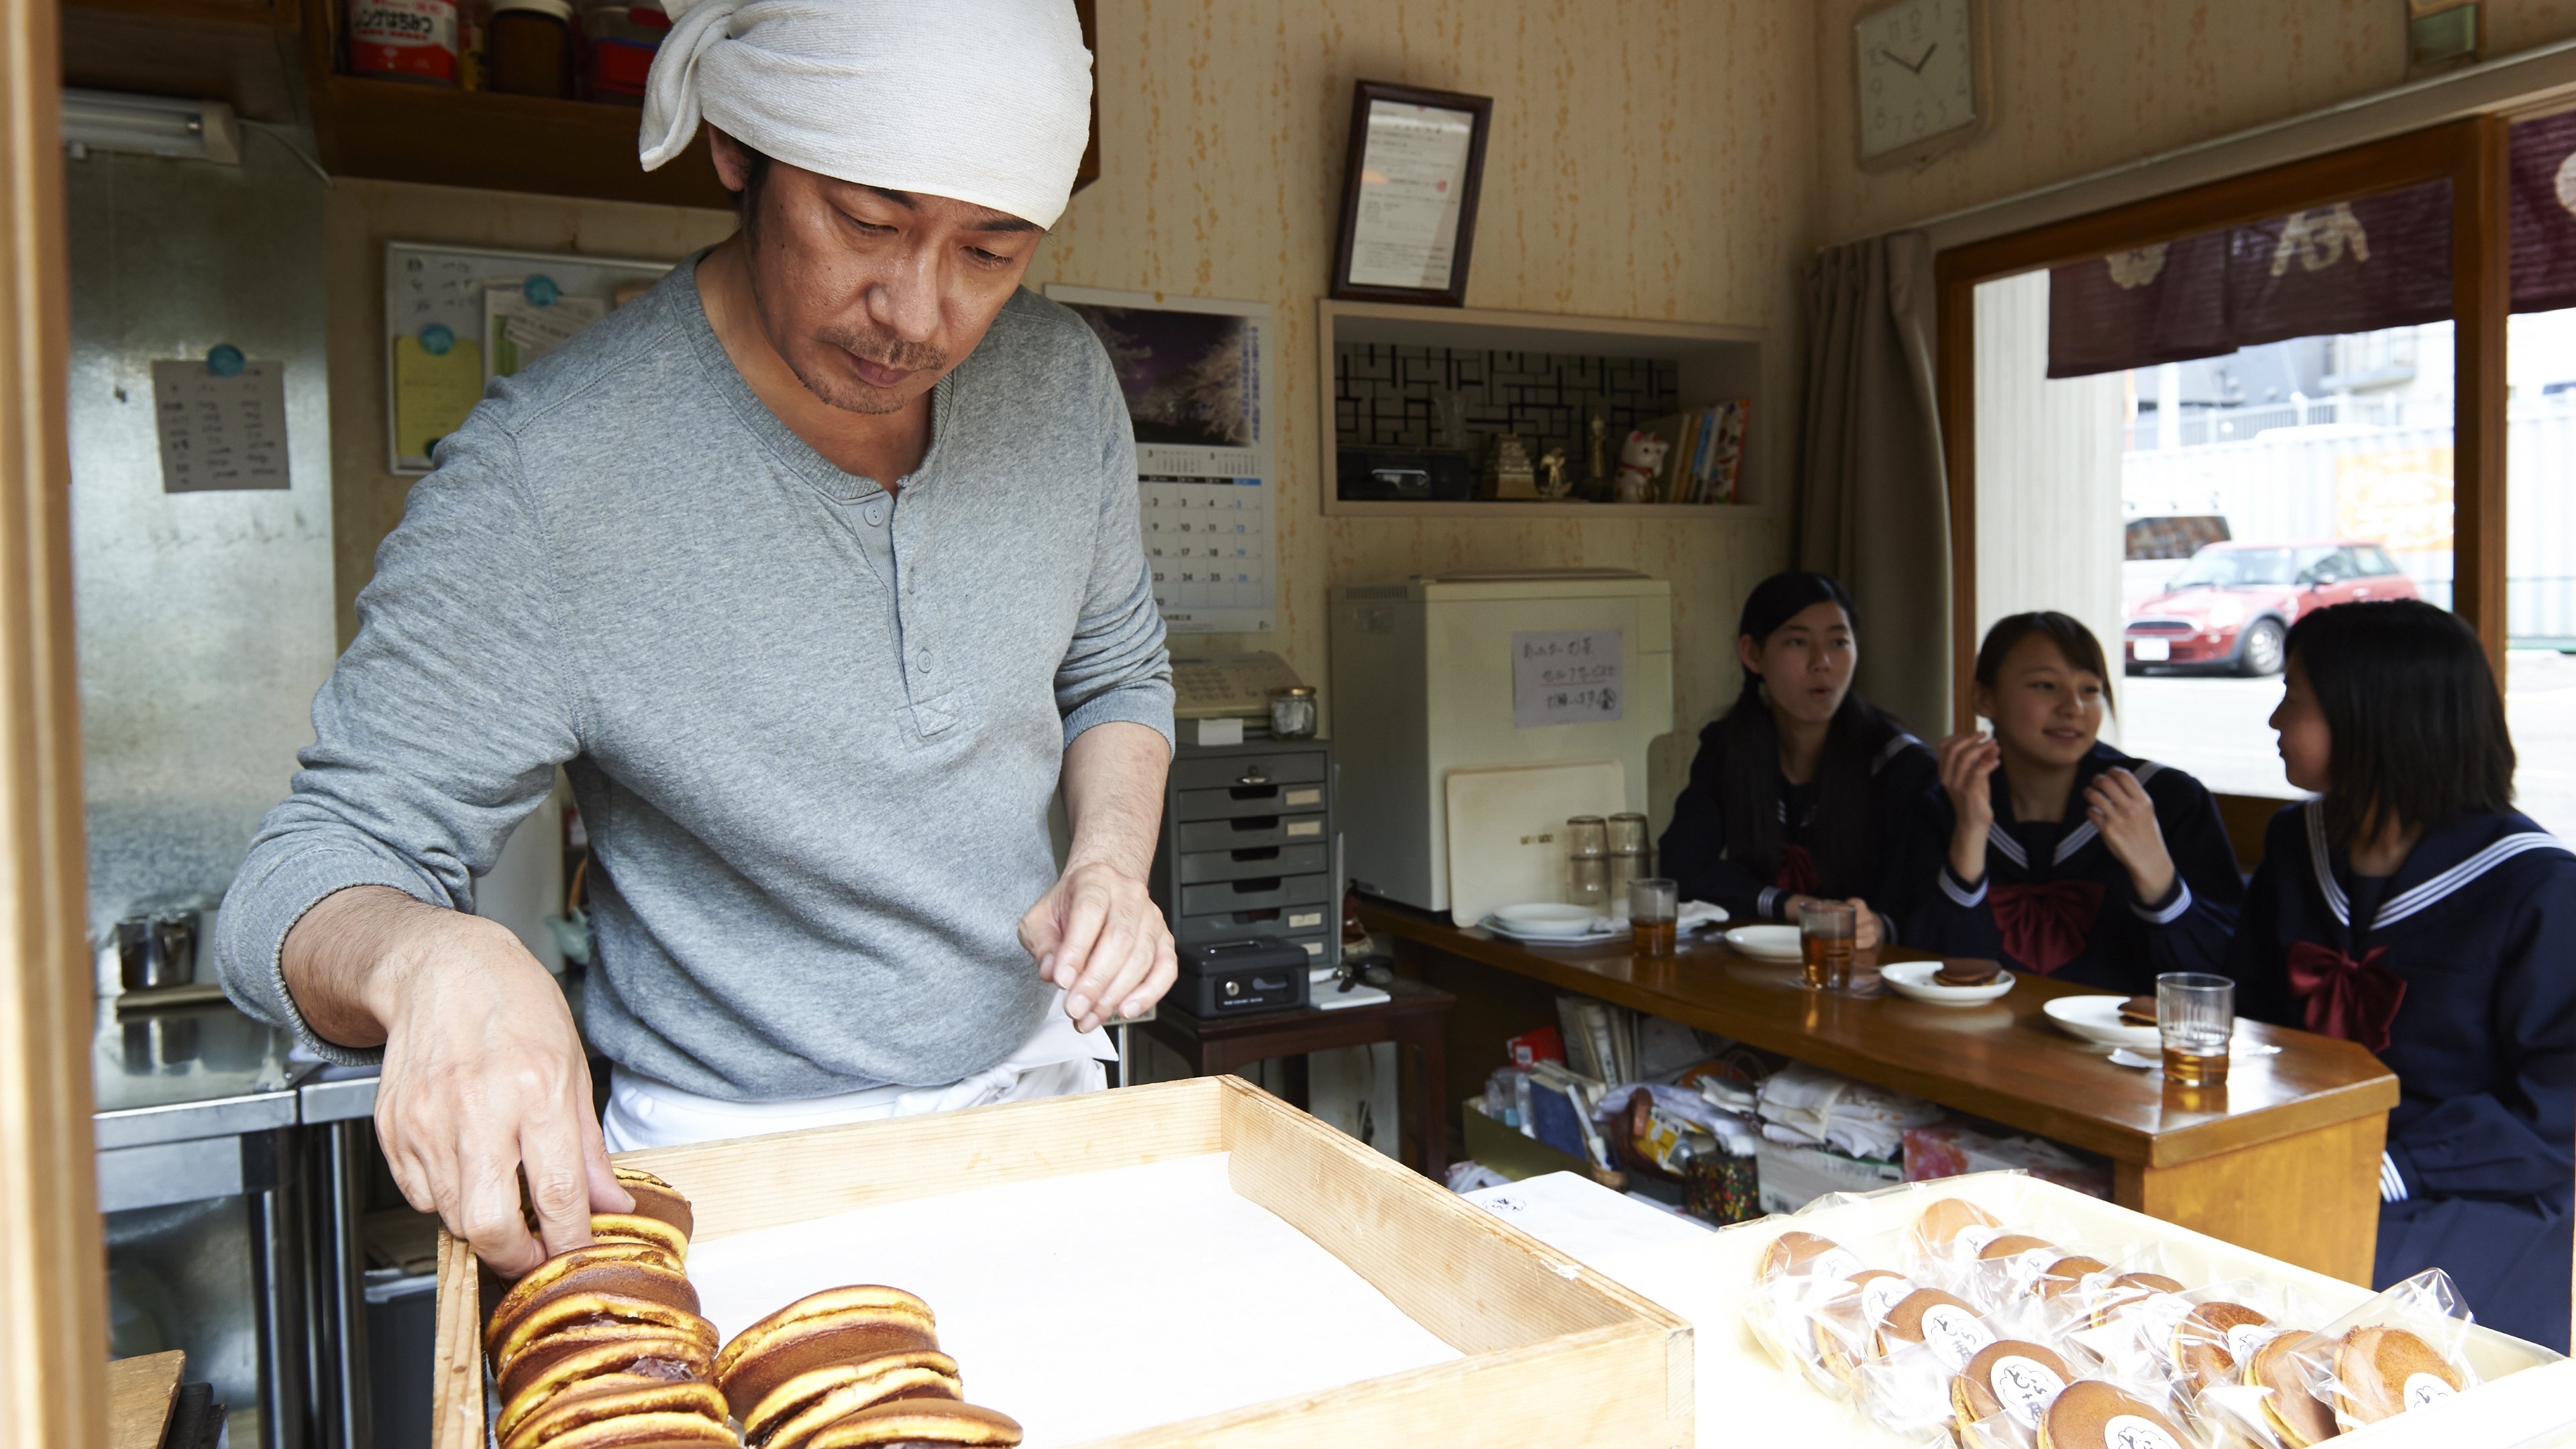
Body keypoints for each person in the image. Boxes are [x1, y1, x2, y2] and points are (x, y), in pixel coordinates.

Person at [213, 0, 1179, 1276]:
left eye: (991, 252)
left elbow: (1116, 667)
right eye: (865, 222)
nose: (918, 313)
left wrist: (1110, 863)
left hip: (1042, 1104)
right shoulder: (548, 478)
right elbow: (297, 879)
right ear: (736, 145)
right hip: (728, 1173)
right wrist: (426, 954)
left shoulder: (1061, 387)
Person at [2228, 600, 2572, 1351]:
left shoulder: (2536, 888)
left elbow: (2558, 1109)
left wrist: (2396, 1163)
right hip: (2304, 1149)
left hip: (2470, 1185)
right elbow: (2250, 1017)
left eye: (2295, 695)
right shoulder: (2297, 844)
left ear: (2374, 716)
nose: (2276, 720)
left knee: (2319, 1300)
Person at [1905, 612, 2241, 992]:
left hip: (2125, 1045)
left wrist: (2157, 874)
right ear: (1984, 697)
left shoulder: (2167, 800)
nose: (2073, 708)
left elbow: (2218, 975)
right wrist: (1970, 830)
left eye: (2090, 690)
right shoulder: (1946, 802)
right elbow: (1926, 969)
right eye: (2045, 686)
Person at [1659, 572, 1935, 949]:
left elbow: (1923, 906)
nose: (1821, 662)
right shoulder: (1728, 747)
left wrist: (1880, 926)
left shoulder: (1901, 766)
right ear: (1753, 654)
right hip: (1757, 965)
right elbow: (1680, 869)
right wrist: (1791, 905)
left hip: (1862, 974)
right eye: (1797, 642)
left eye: (1839, 642)